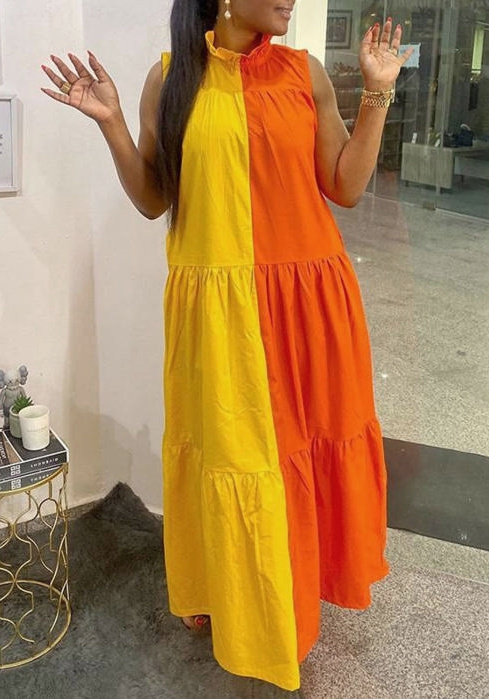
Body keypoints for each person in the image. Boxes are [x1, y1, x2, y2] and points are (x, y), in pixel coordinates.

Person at [42, 2, 411, 693]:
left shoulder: (304, 73)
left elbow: (346, 185)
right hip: (218, 311)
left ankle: (294, 595)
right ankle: (226, 588)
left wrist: (377, 92)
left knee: (301, 448)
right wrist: (112, 122)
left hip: (308, 301)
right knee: (230, 455)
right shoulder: (169, 81)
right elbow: (154, 198)